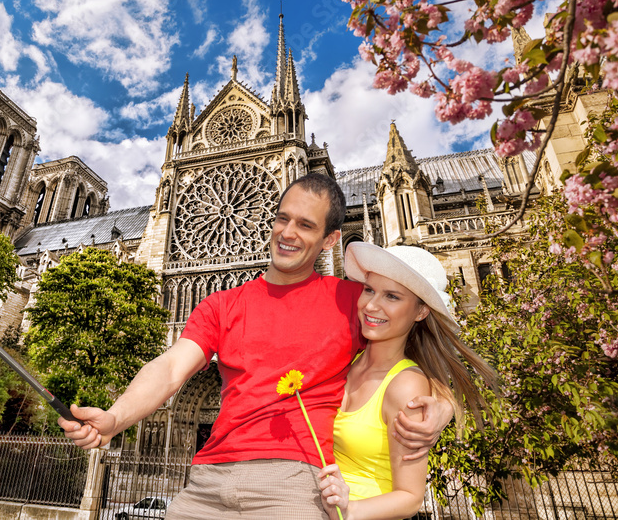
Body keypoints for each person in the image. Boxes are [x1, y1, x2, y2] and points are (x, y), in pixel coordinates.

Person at [59, 173, 454, 520]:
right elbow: (170, 367)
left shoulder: (354, 301)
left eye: (305, 225)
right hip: (207, 480)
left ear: (330, 239)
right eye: (282, 218)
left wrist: (443, 403)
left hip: (295, 482)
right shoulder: (220, 304)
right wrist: (116, 417)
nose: (287, 233)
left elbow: (416, 345)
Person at [316, 242, 498, 520]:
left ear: (421, 311)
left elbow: (410, 497)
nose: (371, 305)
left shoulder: (406, 386)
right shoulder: (348, 361)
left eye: (392, 296)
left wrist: (349, 509)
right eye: (369, 290)